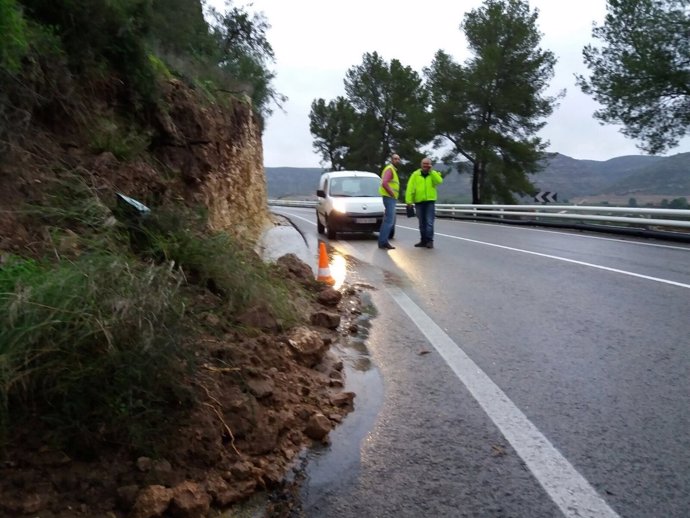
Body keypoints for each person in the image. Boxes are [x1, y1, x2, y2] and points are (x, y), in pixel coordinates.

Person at [405, 157, 444, 248]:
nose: (426, 165)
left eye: (428, 164)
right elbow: (410, 188)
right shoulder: (415, 175)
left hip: (430, 202)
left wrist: (432, 172)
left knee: (429, 222)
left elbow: (439, 181)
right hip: (419, 202)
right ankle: (423, 240)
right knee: (421, 223)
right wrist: (408, 201)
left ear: (430, 165)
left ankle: (430, 241)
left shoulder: (433, 174)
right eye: (424, 164)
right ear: (421, 165)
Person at [377, 153, 401, 250]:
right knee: (389, 221)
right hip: (389, 197)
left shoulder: (393, 170)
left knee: (387, 220)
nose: (397, 160)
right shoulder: (390, 169)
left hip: (389, 198)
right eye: (395, 159)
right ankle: (383, 242)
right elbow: (385, 183)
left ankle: (383, 241)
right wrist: (392, 193)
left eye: (398, 159)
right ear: (391, 160)